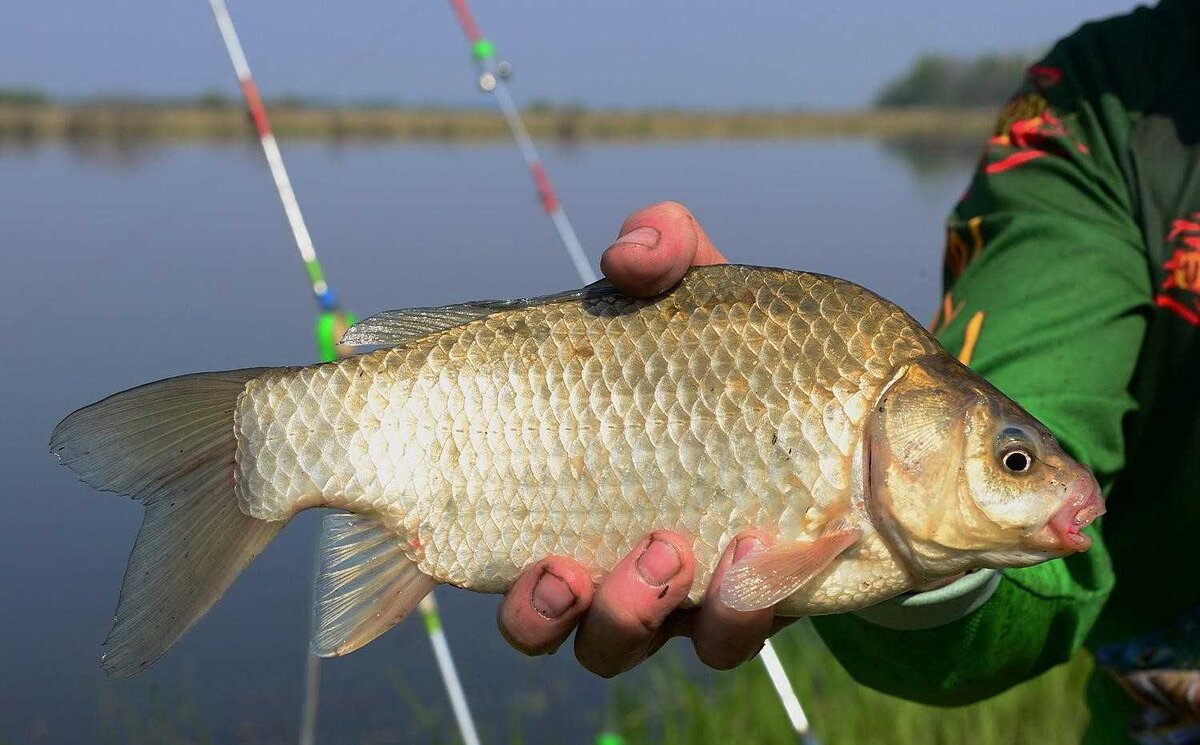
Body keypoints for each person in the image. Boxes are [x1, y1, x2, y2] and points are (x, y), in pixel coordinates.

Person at [498, 1, 1200, 742]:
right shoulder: (1105, 100)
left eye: (1015, 460)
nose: (1040, 476)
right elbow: (1050, 430)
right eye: (1015, 460)